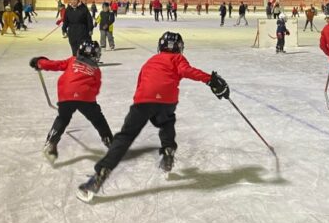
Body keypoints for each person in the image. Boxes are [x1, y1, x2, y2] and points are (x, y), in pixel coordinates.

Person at [76, 31, 230, 202]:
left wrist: (139, 108)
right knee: (166, 121)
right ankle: (168, 150)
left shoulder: (150, 61)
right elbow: (187, 71)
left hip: (143, 101)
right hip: (167, 100)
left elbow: (140, 82)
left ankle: (100, 175)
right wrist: (209, 79)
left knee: (125, 137)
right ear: (179, 47)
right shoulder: (178, 59)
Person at [29, 40, 113, 164]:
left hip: (66, 95)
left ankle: (51, 142)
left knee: (62, 118)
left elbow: (55, 65)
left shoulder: (72, 60)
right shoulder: (95, 69)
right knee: (98, 119)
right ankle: (109, 141)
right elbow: (96, 87)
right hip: (86, 97)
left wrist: (39, 62)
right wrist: (89, 100)